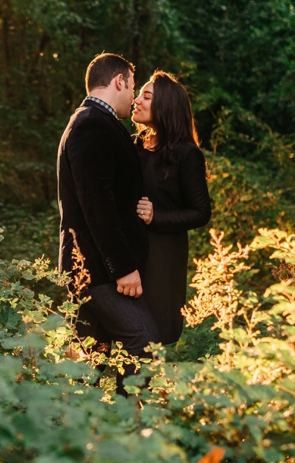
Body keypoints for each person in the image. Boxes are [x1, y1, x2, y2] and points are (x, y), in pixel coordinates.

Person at [57, 53, 160, 396]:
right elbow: (97, 204)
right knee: (144, 343)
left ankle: (74, 424)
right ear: (119, 81)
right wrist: (123, 268)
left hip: (93, 267)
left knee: (90, 362)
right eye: (132, 87)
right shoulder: (92, 125)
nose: (133, 97)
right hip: (98, 269)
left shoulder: (93, 122)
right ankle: (132, 424)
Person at [132, 70, 211, 345]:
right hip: (129, 252)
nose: (136, 100)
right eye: (138, 94)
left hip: (161, 259)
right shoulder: (134, 145)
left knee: (151, 336)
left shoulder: (186, 154)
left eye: (146, 96)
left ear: (165, 106)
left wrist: (157, 217)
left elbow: (201, 212)